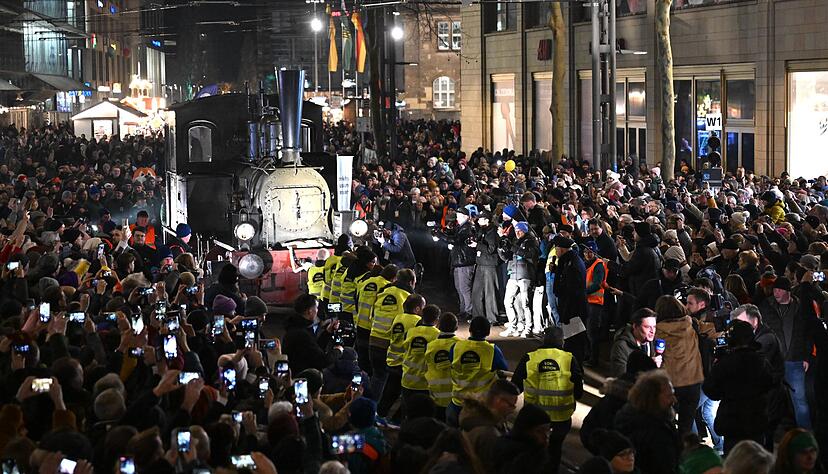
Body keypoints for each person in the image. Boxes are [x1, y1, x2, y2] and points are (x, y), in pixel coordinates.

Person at [512, 326, 584, 473]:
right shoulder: (569, 359)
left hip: (535, 419)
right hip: (561, 419)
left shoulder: (530, 357)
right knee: (555, 452)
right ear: (562, 342)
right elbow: (578, 392)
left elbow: (515, 386)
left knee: (534, 453)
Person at [702, 320, 776, 454]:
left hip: (732, 423)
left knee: (734, 461)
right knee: (757, 460)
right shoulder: (760, 361)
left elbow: (710, 390)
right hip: (757, 419)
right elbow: (770, 383)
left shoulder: (725, 363)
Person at [758, 276, 813, 429]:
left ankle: (805, 433)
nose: (776, 292)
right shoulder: (766, 306)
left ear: (788, 291)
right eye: (775, 289)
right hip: (773, 361)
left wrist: (806, 356)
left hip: (795, 360)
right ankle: (774, 434)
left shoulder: (800, 308)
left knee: (800, 400)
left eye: (780, 290)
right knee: (772, 401)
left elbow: (808, 334)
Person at [613, 370, 681, 474]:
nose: (674, 400)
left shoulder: (629, 415)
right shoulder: (655, 433)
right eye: (669, 396)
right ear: (652, 398)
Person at [654, 295, 704, 435]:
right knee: (686, 426)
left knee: (665, 424)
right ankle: (685, 452)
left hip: (671, 384)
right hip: (694, 382)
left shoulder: (658, 332)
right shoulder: (691, 326)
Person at [449, 317, 508, 427]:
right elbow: (504, 370)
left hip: (458, 402)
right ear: (488, 332)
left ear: (470, 329)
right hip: (481, 405)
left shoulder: (456, 347)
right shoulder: (492, 350)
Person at [368, 268, 415, 403]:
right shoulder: (407, 298)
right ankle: (378, 413)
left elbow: (372, 314)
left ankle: (370, 409)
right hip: (389, 346)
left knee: (378, 377)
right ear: (411, 282)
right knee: (390, 381)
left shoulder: (383, 292)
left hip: (373, 339)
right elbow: (407, 323)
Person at [381, 294, 426, 418]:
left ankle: (381, 416)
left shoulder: (398, 317)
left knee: (389, 395)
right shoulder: (417, 322)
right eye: (423, 307)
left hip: (392, 360)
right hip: (403, 364)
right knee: (405, 398)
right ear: (417, 309)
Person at [459, 379, 520, 469]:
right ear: (498, 401)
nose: (512, 410)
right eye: (510, 405)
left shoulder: (473, 415)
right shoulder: (488, 434)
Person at [281, 293, 341, 375]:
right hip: (306, 377)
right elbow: (322, 360)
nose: (317, 311)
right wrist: (338, 351)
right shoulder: (301, 333)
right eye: (316, 307)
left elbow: (314, 348)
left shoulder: (297, 326)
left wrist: (327, 332)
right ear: (309, 311)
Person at [354, 264, 396, 375]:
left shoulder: (366, 282)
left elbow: (356, 300)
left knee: (361, 361)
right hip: (372, 329)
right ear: (393, 278)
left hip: (359, 325)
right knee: (373, 366)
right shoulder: (387, 288)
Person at [552, 234, 588, 363]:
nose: (555, 251)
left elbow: (572, 290)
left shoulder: (572, 264)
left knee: (574, 340)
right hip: (570, 307)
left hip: (573, 309)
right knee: (572, 339)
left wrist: (567, 312)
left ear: (561, 249)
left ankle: (575, 366)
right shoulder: (568, 261)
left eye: (556, 248)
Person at [500, 221, 539, 338]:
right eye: (516, 231)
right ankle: (514, 325)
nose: (517, 233)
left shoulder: (531, 241)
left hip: (525, 276)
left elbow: (529, 255)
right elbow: (507, 258)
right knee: (508, 301)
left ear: (525, 231)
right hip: (513, 275)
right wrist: (501, 249)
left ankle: (528, 328)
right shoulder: (515, 241)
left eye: (520, 231)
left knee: (525, 304)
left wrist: (512, 247)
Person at [400, 304, 441, 407]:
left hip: (407, 380)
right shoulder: (438, 336)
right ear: (437, 320)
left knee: (407, 412)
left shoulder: (410, 332)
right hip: (425, 384)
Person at [424, 312, 461, 415]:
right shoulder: (460, 345)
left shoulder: (431, 346)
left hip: (435, 393)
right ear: (456, 327)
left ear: (438, 326)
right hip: (455, 394)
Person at [610, 308, 660, 377]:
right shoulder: (621, 346)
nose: (652, 331)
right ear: (635, 326)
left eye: (654, 327)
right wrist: (649, 367)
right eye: (647, 327)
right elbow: (621, 377)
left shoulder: (654, 343)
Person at [471, 211, 500, 325]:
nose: (478, 221)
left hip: (489, 265)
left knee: (490, 292)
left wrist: (477, 245)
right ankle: (477, 317)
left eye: (481, 219)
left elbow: (491, 249)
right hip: (480, 263)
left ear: (487, 220)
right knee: (476, 292)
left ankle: (492, 318)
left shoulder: (492, 232)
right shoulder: (482, 231)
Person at [583, 241, 609, 367]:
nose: (587, 254)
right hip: (588, 301)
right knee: (587, 331)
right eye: (586, 252)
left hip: (595, 303)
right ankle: (588, 355)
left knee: (592, 333)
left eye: (590, 252)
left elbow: (597, 284)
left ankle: (594, 359)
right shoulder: (587, 264)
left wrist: (584, 292)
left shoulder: (598, 265)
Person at [449, 207, 477, 321]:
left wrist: (442, 236)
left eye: (459, 216)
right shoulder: (460, 227)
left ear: (465, 217)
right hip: (459, 261)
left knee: (464, 287)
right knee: (459, 287)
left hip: (465, 262)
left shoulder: (467, 228)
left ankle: (469, 311)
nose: (457, 218)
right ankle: (463, 309)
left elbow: (457, 240)